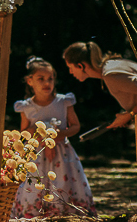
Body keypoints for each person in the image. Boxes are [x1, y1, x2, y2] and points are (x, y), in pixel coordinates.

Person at [10, 57, 96, 218]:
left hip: (62, 153)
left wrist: (58, 134)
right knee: (36, 183)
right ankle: (34, 214)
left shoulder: (63, 102)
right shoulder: (26, 107)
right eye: (40, 79)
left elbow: (75, 126)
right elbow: (24, 133)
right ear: (29, 81)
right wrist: (41, 130)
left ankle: (68, 215)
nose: (46, 83)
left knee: (65, 182)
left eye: (50, 78)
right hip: (37, 154)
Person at [63, 41, 137, 129]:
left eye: (70, 68)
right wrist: (129, 115)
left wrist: (129, 115)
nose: (70, 72)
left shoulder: (110, 75)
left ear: (80, 66)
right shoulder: (111, 65)